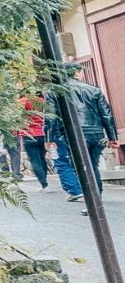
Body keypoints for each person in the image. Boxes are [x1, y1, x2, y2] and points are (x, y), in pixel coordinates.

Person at [45, 63, 118, 202]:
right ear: (76, 73)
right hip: (96, 133)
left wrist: (49, 138)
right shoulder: (94, 90)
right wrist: (112, 137)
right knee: (92, 165)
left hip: (73, 134)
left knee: (81, 167)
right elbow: (106, 114)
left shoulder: (54, 91)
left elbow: (50, 116)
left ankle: (93, 201)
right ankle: (97, 199)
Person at [17, 96, 48, 186]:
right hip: (42, 133)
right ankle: (44, 179)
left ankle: (43, 183)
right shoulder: (42, 101)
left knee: (34, 160)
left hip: (28, 134)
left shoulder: (21, 102)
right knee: (42, 158)